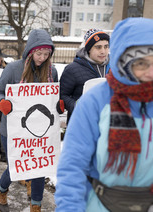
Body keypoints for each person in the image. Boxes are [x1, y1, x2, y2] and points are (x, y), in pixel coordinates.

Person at [55, 17, 153, 212]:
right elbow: (73, 166)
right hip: (101, 204)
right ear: (124, 62)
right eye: (141, 63)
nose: (150, 73)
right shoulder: (94, 102)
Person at [0, 29, 61, 212]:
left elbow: (53, 99)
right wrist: (2, 102)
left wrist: (59, 106)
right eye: (39, 53)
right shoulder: (13, 68)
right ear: (31, 51)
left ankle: (36, 206)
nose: (42, 58)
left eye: (47, 54)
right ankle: (1, 190)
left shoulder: (52, 71)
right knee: (16, 167)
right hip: (14, 130)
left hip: (42, 130)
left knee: (39, 167)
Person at [60, 28, 110, 123]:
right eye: (98, 47)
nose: (103, 51)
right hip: (80, 123)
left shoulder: (115, 68)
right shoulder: (72, 69)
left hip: (107, 125)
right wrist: (76, 106)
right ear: (89, 49)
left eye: (106, 46)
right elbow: (62, 95)